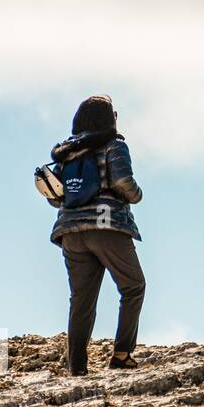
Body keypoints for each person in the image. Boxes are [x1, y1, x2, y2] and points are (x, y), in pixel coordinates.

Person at [45, 95, 146, 375]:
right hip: (108, 226)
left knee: (81, 300)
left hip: (71, 231)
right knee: (133, 286)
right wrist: (137, 196)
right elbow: (123, 181)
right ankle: (122, 354)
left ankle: (76, 367)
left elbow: (56, 198)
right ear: (108, 118)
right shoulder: (114, 145)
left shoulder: (66, 152)